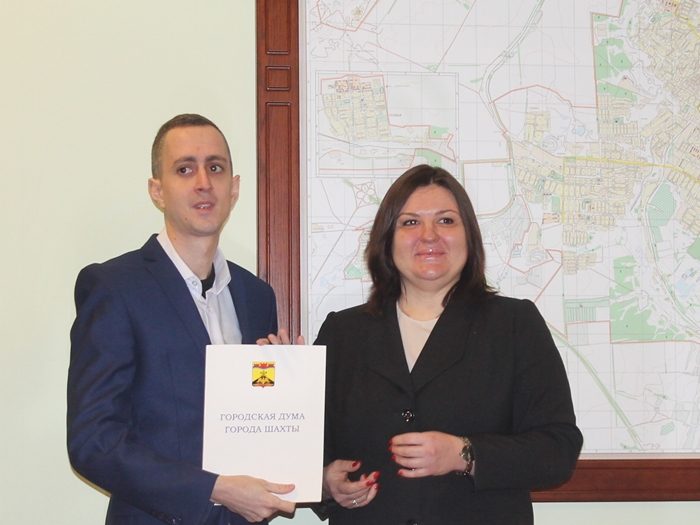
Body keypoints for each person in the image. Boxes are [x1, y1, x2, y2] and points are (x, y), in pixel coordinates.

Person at [314, 164, 583, 524]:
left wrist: (463, 453)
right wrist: (325, 483)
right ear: (387, 239)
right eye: (410, 222)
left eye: (445, 221)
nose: (429, 236)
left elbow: (558, 450)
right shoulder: (343, 333)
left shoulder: (514, 324)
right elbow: (310, 447)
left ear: (468, 236)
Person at [67, 114, 296, 525]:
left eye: (215, 168)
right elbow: (94, 442)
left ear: (234, 188)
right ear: (157, 190)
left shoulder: (257, 296)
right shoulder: (115, 287)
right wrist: (212, 490)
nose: (203, 182)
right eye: (185, 169)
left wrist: (283, 387)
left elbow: (253, 424)